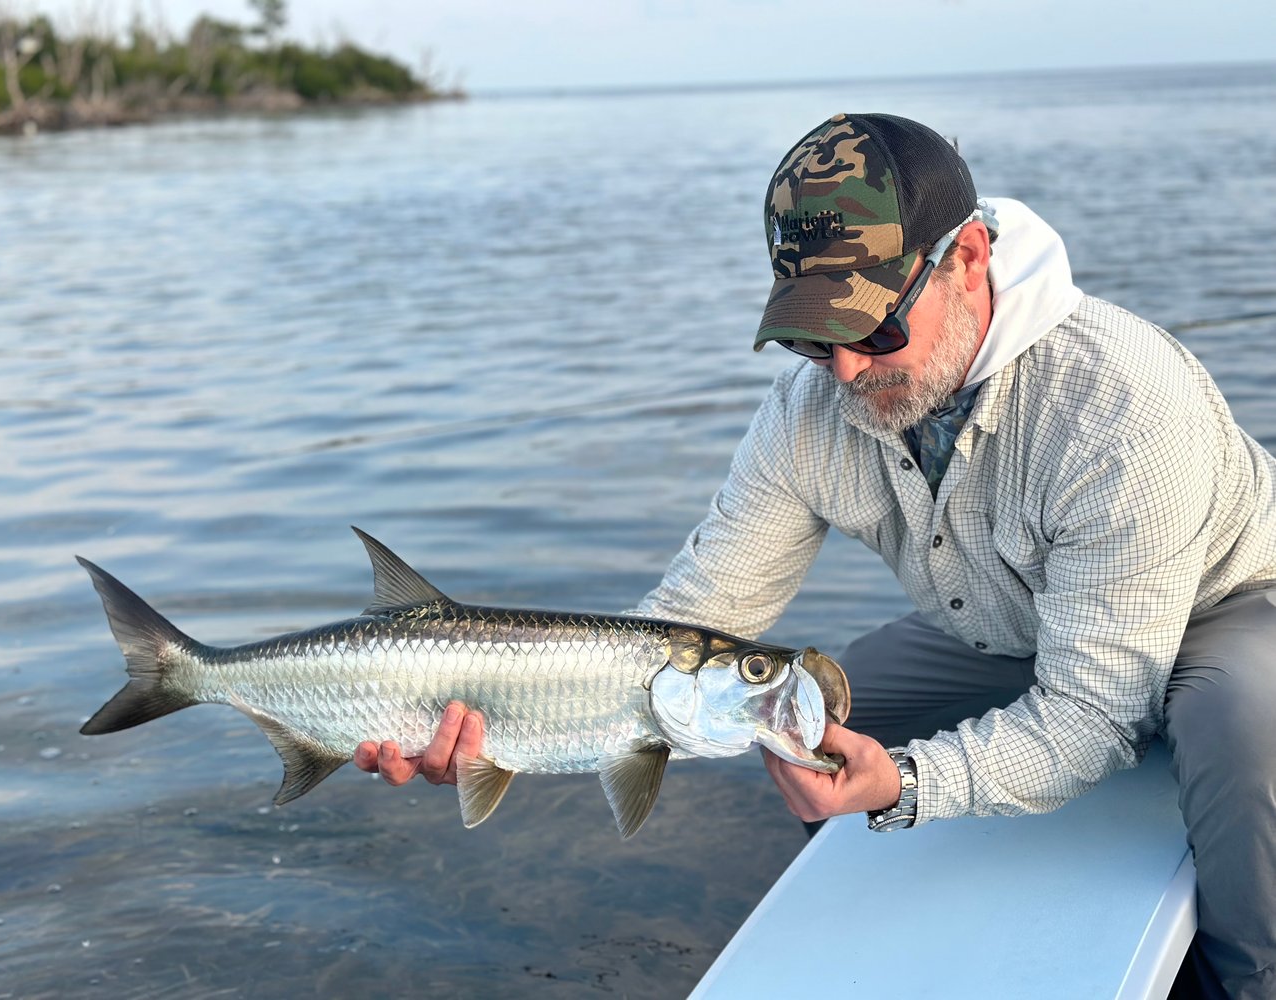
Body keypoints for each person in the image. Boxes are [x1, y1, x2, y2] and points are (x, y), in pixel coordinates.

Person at [353, 113, 1276, 998]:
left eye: (871, 326)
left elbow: (1093, 717)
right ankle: (870, 963)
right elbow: (685, 626)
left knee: (1244, 726)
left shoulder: (1118, 406)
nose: (839, 371)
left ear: (967, 258)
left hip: (1228, 603)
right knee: (815, 711)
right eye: (810, 332)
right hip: (1015, 627)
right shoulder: (807, 412)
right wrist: (489, 712)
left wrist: (906, 784)